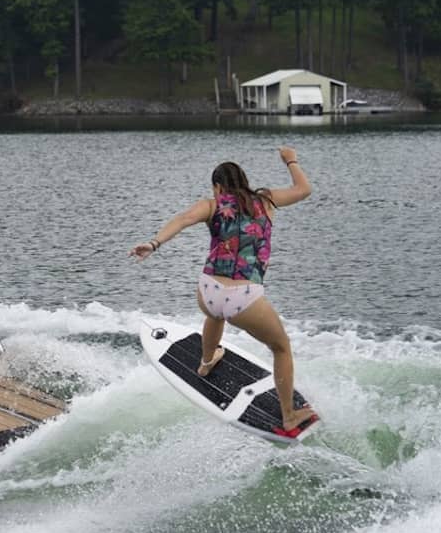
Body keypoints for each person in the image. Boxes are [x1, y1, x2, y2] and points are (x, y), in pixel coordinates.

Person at [129, 147, 316, 433]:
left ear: (217, 186)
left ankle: (206, 362)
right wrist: (290, 159)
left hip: (208, 290)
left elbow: (182, 219)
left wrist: (154, 244)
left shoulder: (212, 205)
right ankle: (289, 415)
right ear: (244, 181)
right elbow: (304, 190)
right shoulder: (266, 200)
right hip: (245, 298)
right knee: (281, 348)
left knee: (215, 315)